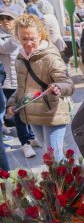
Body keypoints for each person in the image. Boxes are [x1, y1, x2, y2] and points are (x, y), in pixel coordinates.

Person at [6, 14, 75, 161]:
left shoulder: (50, 57)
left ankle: (67, 183)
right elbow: (21, 88)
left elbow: (68, 83)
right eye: (24, 38)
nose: (28, 43)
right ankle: (64, 182)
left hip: (52, 113)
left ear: (41, 34)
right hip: (32, 114)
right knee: (51, 157)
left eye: (32, 38)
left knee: (54, 159)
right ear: (17, 36)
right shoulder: (20, 58)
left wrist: (58, 87)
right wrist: (12, 103)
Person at [0, 10, 40, 158]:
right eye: (2, 19)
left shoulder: (20, 35)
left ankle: (32, 136)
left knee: (27, 110)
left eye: (9, 18)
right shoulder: (8, 37)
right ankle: (25, 143)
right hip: (9, 84)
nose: (5, 21)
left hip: (24, 80)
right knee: (18, 114)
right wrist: (17, 35)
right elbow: (5, 48)